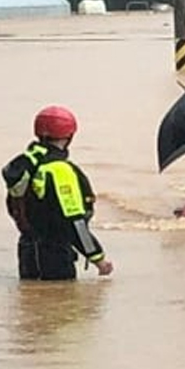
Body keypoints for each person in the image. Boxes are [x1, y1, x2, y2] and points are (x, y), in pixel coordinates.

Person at [22, 106, 114, 281]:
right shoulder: (61, 171)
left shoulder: (27, 163)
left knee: (32, 302)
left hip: (28, 252)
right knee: (60, 305)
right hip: (55, 257)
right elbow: (75, 222)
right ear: (69, 136)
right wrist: (98, 258)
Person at [1, 139, 49, 279]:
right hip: (49, 241)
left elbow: (12, 205)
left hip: (26, 234)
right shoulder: (49, 165)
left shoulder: (20, 166)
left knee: (29, 283)